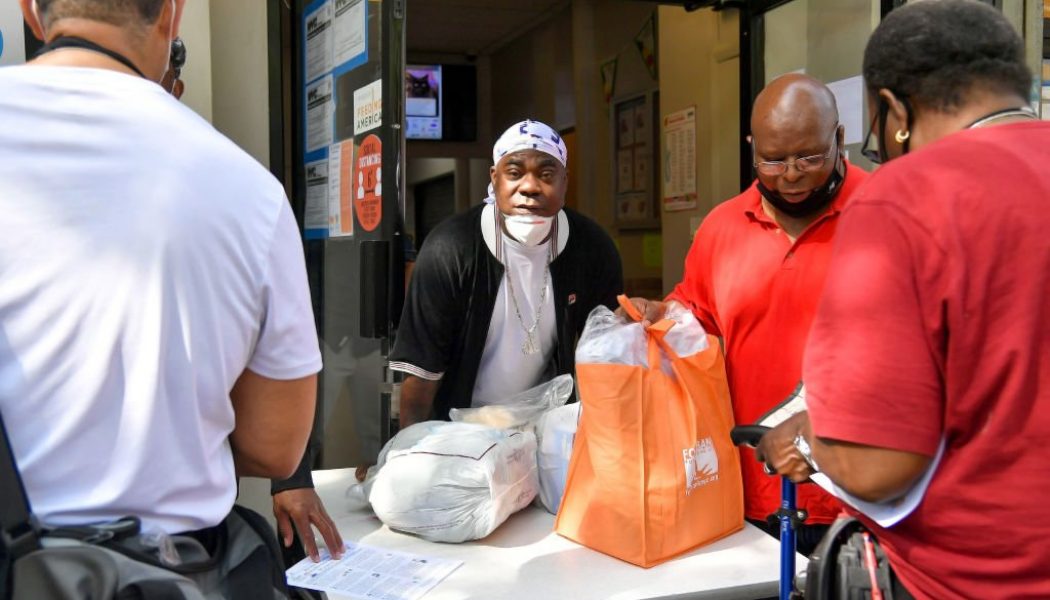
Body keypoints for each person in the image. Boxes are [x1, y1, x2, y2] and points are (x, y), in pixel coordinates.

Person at [1, 0, 318, 573]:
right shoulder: (252, 192)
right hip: (166, 570)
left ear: (31, 11)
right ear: (172, 14)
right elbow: (275, 446)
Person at [755, 1, 1050, 597]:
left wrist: (805, 436)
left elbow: (875, 465)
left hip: (972, 581)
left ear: (893, 112)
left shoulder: (908, 194)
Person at [623, 74, 869, 555]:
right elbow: (695, 315)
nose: (792, 174)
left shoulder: (888, 211)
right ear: (752, 147)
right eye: (773, 159)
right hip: (750, 487)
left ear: (840, 139)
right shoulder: (721, 228)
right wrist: (659, 314)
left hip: (859, 495)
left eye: (809, 157)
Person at [390, 119, 623, 427]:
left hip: (549, 423)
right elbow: (421, 375)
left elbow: (608, 350)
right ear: (494, 178)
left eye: (546, 174)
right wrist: (410, 453)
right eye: (514, 173)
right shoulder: (450, 248)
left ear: (565, 181)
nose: (529, 187)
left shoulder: (591, 247)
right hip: (460, 427)